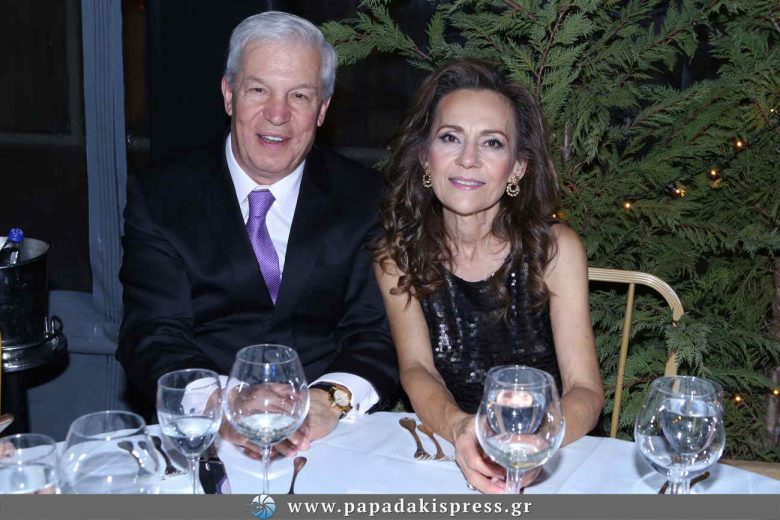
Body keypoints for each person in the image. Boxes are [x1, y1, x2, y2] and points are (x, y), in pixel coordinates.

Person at [117, 11, 398, 456]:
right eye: (258, 90)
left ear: (323, 109)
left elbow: (376, 333)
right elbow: (153, 334)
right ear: (229, 94)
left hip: (331, 437)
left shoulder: (367, 198)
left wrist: (327, 401)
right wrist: (226, 401)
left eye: (300, 95)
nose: (277, 114)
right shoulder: (160, 196)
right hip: (205, 435)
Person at [373, 59, 604, 493]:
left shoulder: (554, 250)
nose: (468, 159)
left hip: (551, 456)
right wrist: (461, 428)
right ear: (425, 157)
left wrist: (538, 442)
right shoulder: (396, 255)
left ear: (517, 168)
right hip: (446, 451)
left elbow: (585, 388)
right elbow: (418, 369)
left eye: (492, 143)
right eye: (450, 137)